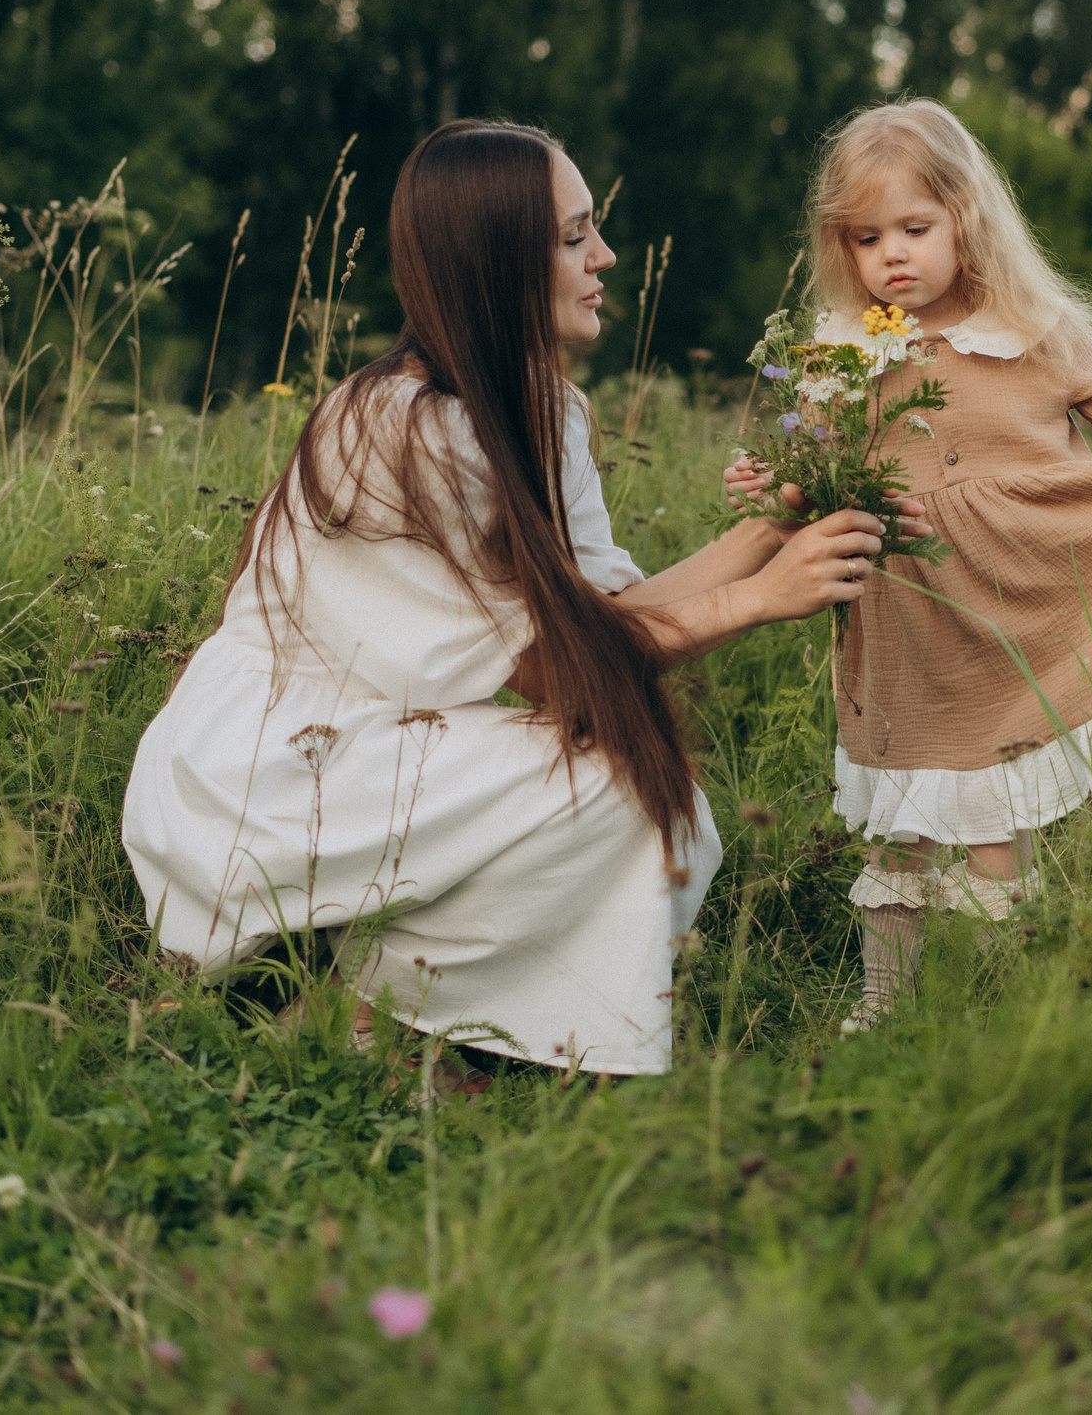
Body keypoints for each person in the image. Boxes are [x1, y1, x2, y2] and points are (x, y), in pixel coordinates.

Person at [124, 119, 920, 1077]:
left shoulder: (545, 409)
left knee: (666, 810)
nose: (605, 256)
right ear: (502, 263)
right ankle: (356, 1017)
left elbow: (603, 618)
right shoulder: (403, 426)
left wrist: (768, 535)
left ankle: (387, 998)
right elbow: (560, 673)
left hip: (386, 749)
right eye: (576, 235)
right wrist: (756, 600)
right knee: (624, 791)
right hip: (276, 769)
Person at [724, 100, 1092, 1029]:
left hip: (1018, 602)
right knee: (905, 821)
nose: (892, 254)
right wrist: (774, 486)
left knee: (996, 814)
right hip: (907, 615)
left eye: (915, 229)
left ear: (967, 218)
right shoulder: (844, 356)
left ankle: (983, 1000)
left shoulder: (1031, 334)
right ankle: (884, 1002)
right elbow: (818, 479)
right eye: (867, 236)